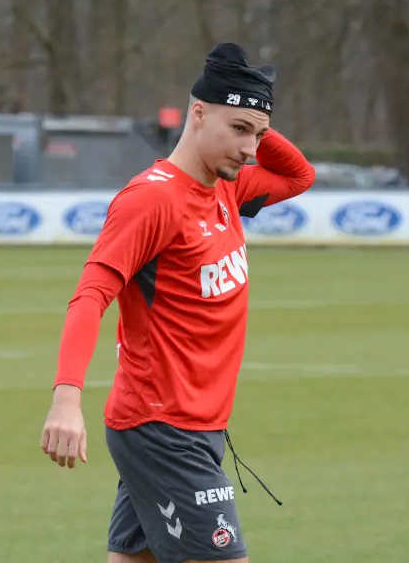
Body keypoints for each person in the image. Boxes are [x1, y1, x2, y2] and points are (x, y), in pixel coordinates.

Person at [41, 43, 315, 563]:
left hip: (196, 424)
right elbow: (90, 295)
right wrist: (66, 398)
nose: (251, 149)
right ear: (197, 113)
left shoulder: (226, 191)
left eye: (257, 136)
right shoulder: (153, 199)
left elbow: (300, 176)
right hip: (164, 427)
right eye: (238, 131)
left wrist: (253, 113)